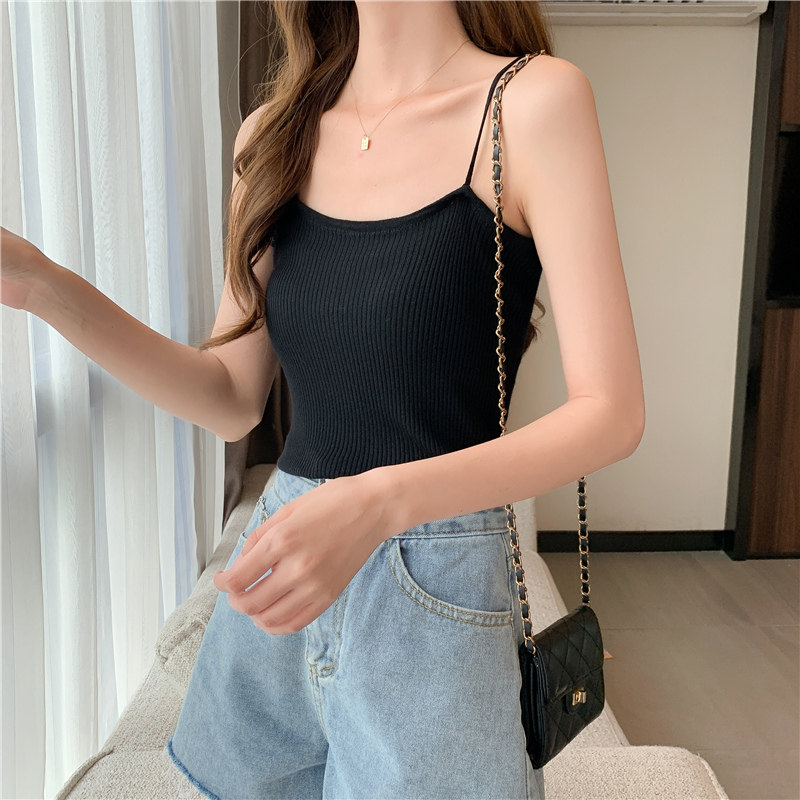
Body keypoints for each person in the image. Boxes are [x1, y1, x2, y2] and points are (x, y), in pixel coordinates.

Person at [0, 1, 645, 798]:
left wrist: (377, 503)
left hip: (434, 592)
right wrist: (40, 284)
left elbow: (612, 413)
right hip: (280, 575)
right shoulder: (271, 135)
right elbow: (230, 395)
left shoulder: (532, 104)